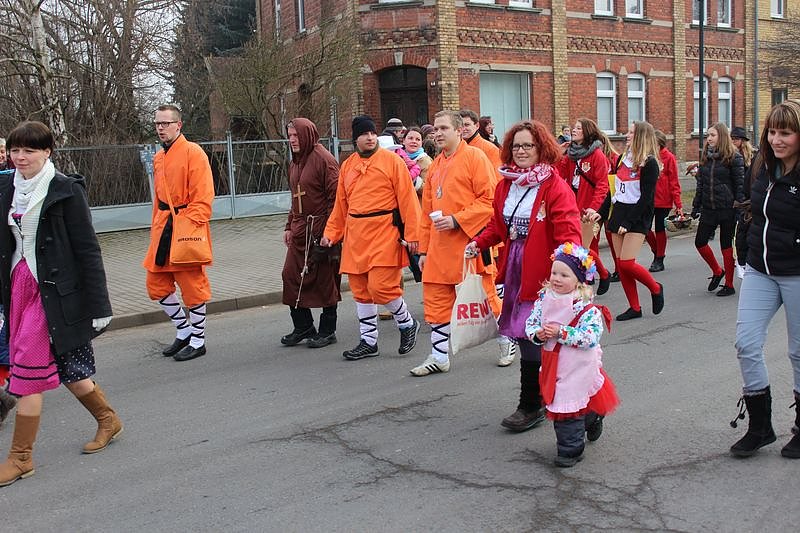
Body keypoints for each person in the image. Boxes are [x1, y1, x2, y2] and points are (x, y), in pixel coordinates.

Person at [0, 121, 121, 487]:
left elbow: (87, 249)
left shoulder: (66, 190)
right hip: (18, 288)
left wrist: (100, 306)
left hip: (54, 291)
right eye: (15, 150)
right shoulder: (5, 185)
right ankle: (108, 419)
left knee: (26, 374)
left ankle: (21, 458)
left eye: (29, 151)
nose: (20, 157)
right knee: (71, 369)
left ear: (47, 152)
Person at [467, 120, 582, 431]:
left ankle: (541, 403)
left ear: (540, 148)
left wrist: (567, 274)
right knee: (525, 333)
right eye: (516, 145)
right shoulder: (506, 184)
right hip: (516, 268)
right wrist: (478, 243)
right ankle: (536, 401)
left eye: (527, 145)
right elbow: (498, 226)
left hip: (545, 272)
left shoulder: (553, 186)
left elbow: (569, 234)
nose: (520, 151)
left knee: (539, 336)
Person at [730, 100, 800, 459]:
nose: (776, 139)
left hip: (796, 273)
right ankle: (760, 427)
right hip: (760, 268)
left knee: (798, 352)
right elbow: (754, 212)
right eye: (772, 131)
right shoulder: (763, 166)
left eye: (785, 132)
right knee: (746, 343)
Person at [321, 116, 422, 360]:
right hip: (356, 234)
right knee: (360, 289)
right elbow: (341, 205)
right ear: (355, 138)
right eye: (365, 134)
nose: (370, 138)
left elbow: (408, 200)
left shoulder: (391, 161)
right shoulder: (348, 165)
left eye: (373, 133)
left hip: (384, 230)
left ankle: (407, 323)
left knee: (382, 287)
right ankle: (369, 341)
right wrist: (330, 234)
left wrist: (414, 235)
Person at [410, 110, 497, 376]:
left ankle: (508, 340)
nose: (437, 133)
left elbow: (489, 200)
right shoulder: (435, 164)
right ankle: (439, 357)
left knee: (486, 300)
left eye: (444, 128)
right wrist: (423, 250)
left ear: (459, 131)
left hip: (468, 246)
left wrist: (457, 220)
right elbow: (426, 213)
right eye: (435, 129)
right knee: (436, 304)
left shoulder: (475, 157)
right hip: (438, 249)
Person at [524, 242, 619, 467]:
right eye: (554, 272)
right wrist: (537, 334)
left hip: (577, 363)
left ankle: (570, 450)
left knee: (566, 402)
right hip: (552, 362)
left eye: (564, 274)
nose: (557, 278)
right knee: (561, 400)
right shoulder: (543, 300)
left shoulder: (586, 308)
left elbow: (590, 337)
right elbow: (531, 323)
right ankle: (591, 417)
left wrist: (562, 332)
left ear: (578, 279)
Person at [143, 105, 214, 362]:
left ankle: (198, 339)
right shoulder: (159, 157)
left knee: (192, 287)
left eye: (165, 123)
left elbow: (204, 196)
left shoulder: (193, 152)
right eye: (157, 124)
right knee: (156, 284)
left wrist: (190, 226)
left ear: (178, 125)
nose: (160, 128)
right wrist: (155, 228)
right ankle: (184, 331)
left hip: (184, 227)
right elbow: (159, 199)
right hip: (163, 226)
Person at [588, 121, 664, 321]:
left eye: (631, 132)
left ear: (640, 136)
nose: (626, 135)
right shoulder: (623, 159)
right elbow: (613, 190)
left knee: (628, 263)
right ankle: (635, 307)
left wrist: (629, 223)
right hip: (618, 213)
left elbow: (646, 198)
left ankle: (656, 288)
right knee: (621, 266)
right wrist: (601, 213)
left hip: (637, 217)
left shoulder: (650, 163)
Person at [280, 118, 342, 349]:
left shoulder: (324, 160)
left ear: (307, 134)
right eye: (289, 136)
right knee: (290, 276)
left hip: (321, 232)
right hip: (299, 231)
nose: (292, 140)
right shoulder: (296, 161)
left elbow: (336, 199)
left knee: (326, 280)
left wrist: (329, 232)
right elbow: (295, 198)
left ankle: (328, 330)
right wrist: (288, 226)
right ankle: (303, 326)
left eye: (296, 136)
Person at [459, 109, 514, 365]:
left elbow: (493, 189)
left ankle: (506, 339)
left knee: (487, 287)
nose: (464, 129)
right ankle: (439, 350)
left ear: (475, 126)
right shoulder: (447, 157)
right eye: (461, 126)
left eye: (468, 125)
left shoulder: (486, 150)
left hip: (481, 228)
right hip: (456, 232)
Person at [556, 118, 612, 295]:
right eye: (574, 127)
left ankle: (600, 274)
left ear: (587, 132)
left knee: (583, 247)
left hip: (590, 208)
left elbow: (603, 185)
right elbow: (559, 173)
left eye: (578, 128)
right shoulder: (571, 153)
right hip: (573, 206)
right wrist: (559, 153)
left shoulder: (597, 155)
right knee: (586, 247)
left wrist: (594, 208)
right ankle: (595, 276)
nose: (574, 130)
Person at [691, 122, 745, 297]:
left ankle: (729, 284)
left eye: (712, 135)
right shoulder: (706, 157)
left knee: (726, 246)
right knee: (700, 241)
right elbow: (701, 183)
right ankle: (716, 270)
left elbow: (740, 185)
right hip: (709, 207)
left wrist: (739, 207)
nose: (709, 138)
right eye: (708, 135)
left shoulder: (734, 157)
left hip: (727, 208)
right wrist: (696, 205)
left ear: (721, 136)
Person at [645, 131, 683, 272]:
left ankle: (659, 258)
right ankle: (657, 250)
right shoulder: (647, 157)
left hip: (663, 200)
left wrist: (678, 204)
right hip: (648, 199)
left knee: (660, 229)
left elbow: (674, 182)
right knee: (645, 229)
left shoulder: (668, 158)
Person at [731, 126, 757, 280]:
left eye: (736, 139)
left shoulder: (750, 156)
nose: (733, 141)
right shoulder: (731, 155)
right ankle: (739, 257)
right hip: (739, 197)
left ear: (742, 141)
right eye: (732, 139)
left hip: (749, 196)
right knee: (738, 231)